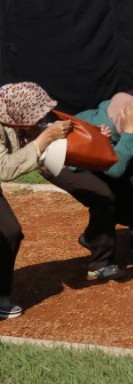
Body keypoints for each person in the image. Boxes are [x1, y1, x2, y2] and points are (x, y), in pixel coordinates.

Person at [41, 97, 133, 281]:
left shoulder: (108, 118)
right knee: (103, 196)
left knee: (117, 189)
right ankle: (100, 265)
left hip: (78, 160)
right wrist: (130, 132)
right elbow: (115, 168)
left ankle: (93, 236)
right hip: (57, 163)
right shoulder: (104, 121)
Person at [0, 83, 73, 319]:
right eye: (34, 115)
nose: (37, 121)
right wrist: (42, 141)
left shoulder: (11, 115)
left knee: (9, 232)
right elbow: (4, 168)